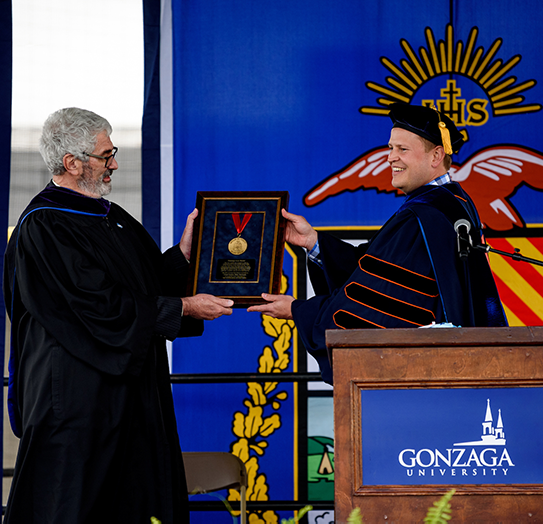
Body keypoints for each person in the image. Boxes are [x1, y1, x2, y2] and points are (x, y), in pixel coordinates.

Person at [3, 107, 234, 523]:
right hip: (76, 401)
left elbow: (142, 286)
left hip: (123, 395)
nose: (114, 164)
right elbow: (99, 306)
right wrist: (183, 307)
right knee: (76, 508)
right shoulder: (46, 226)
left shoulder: (108, 216)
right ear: (72, 163)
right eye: (105, 155)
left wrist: (182, 256)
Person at [248, 103, 507, 384]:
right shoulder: (456, 204)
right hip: (449, 366)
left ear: (436, 155)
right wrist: (313, 242)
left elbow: (381, 304)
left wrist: (299, 310)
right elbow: (377, 271)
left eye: (402, 149)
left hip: (422, 380)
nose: (390, 158)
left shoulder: (425, 215)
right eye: (390, 148)